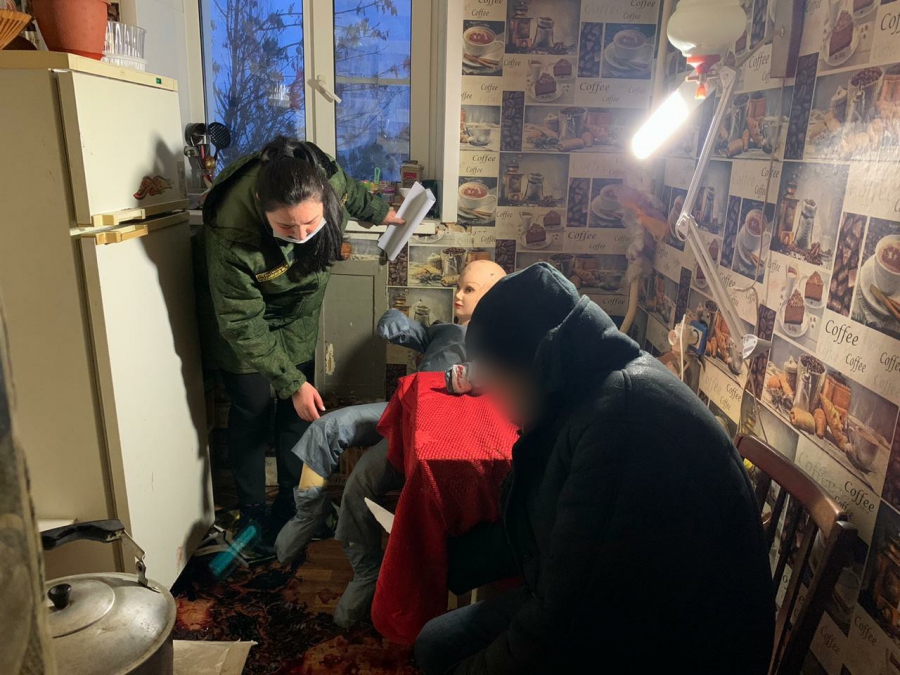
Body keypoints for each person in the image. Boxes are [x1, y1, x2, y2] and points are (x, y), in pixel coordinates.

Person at [414, 263, 775, 674]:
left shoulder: (619, 422)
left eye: (495, 380)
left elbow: (565, 625)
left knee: (451, 657)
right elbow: (548, 532)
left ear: (531, 364)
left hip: (681, 644)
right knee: (436, 645)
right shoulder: (581, 386)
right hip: (626, 604)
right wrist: (449, 560)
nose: (494, 399)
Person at [193, 137, 403, 551]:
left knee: (298, 411)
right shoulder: (230, 230)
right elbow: (240, 320)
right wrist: (290, 381)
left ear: (323, 195)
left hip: (298, 314)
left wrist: (382, 212)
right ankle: (253, 510)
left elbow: (353, 192)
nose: (302, 235)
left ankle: (294, 504)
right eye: (287, 228)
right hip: (243, 321)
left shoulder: (326, 180)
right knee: (252, 409)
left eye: (311, 223)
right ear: (260, 204)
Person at [275, 260, 507, 626]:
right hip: (404, 407)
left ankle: (366, 572)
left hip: (437, 430)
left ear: (494, 297)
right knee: (326, 428)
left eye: (470, 290)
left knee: (358, 486)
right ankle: (309, 514)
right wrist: (394, 319)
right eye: (459, 286)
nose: (458, 295)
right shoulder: (443, 329)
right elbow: (394, 325)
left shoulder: (501, 341)